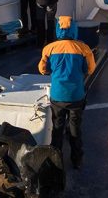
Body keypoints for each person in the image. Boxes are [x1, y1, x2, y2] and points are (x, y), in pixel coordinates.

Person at [38, 16, 96, 170]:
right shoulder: (83, 48)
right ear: (74, 30)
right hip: (76, 96)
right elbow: (90, 69)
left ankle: (55, 162)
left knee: (57, 128)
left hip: (57, 96)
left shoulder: (49, 48)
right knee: (75, 128)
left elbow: (42, 69)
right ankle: (77, 160)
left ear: (58, 30)